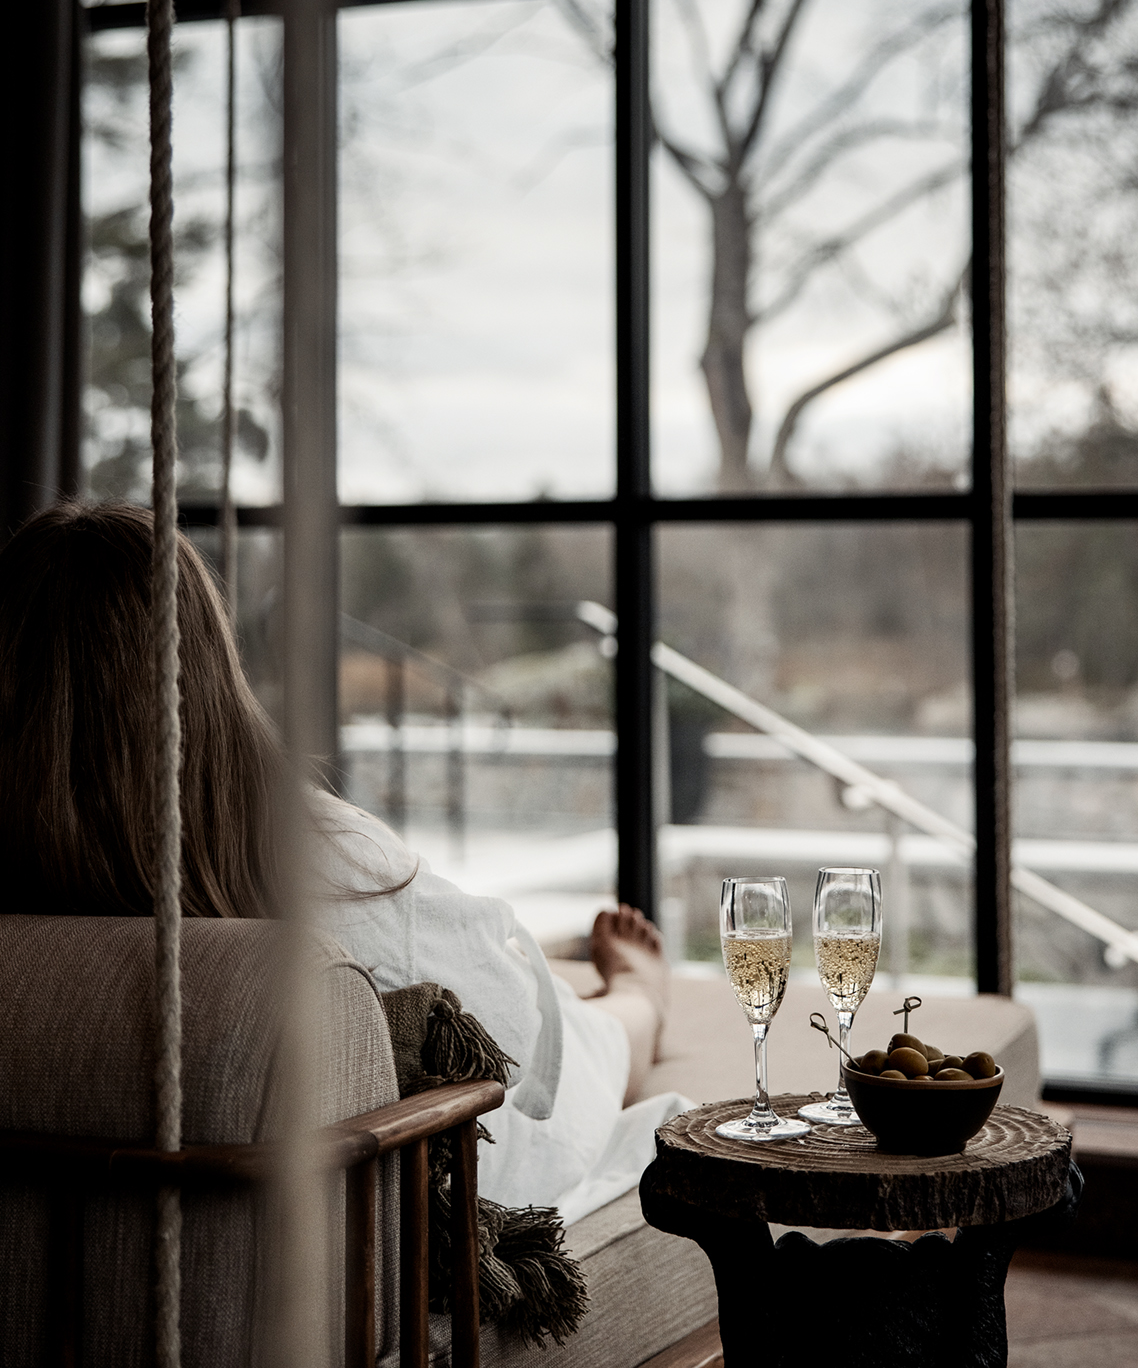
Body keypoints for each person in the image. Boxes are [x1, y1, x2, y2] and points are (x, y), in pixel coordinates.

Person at [0, 501, 684, 1223]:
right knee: (575, 1034)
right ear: (204, 669)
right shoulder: (310, 847)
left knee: (550, 1003)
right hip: (426, 1163)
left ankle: (617, 1004)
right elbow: (509, 1025)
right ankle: (641, 1000)